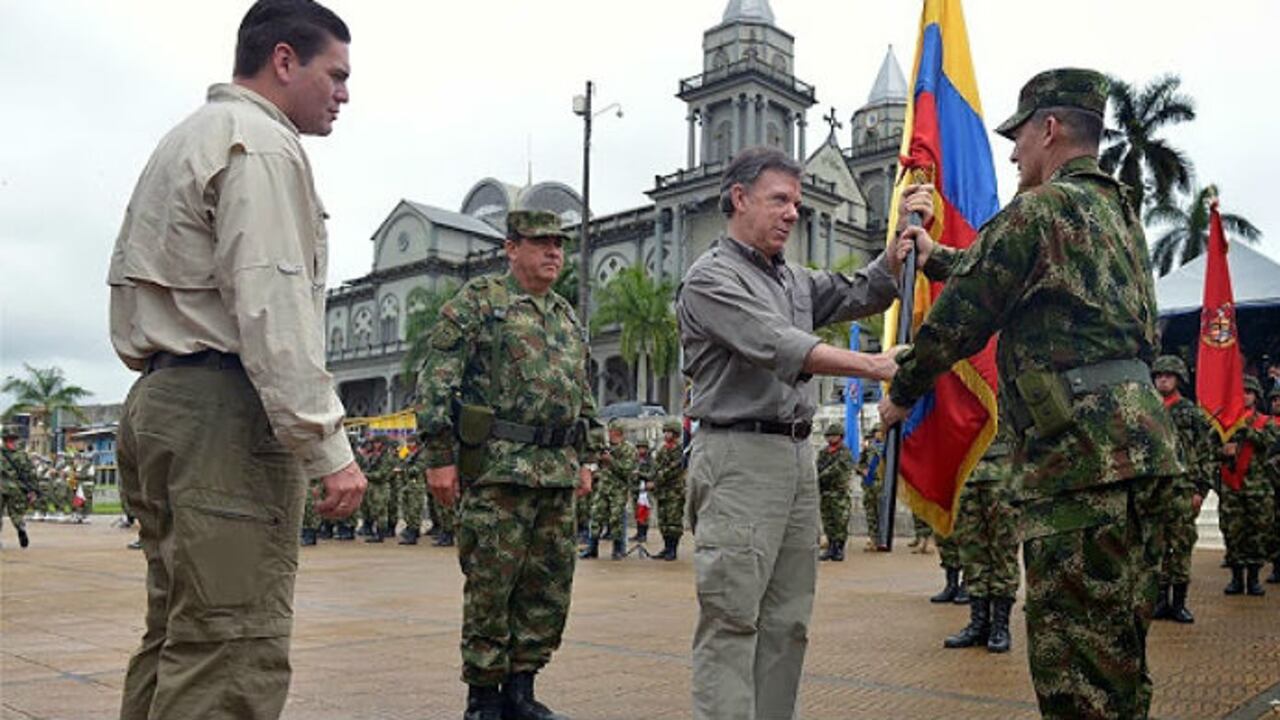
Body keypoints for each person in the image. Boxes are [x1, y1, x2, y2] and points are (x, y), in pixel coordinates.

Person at [880, 68, 1183, 719]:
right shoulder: (1119, 214)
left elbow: (963, 315)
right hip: (1142, 453)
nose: (1014, 154)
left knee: (1076, 667)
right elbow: (1004, 270)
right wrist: (935, 255)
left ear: (1048, 129)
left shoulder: (1041, 209)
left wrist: (903, 390)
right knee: (1119, 653)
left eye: (1018, 137)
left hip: (1080, 463)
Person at [106, 2, 367, 717]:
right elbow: (271, 306)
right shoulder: (262, 144)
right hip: (224, 414)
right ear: (284, 60)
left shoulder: (189, 137)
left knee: (179, 634)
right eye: (335, 75)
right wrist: (327, 446)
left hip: (163, 403)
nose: (344, 94)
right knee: (230, 648)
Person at [677, 145, 912, 720]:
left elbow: (860, 290)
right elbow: (779, 344)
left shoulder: (792, 279)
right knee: (733, 617)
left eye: (797, 204)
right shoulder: (711, 279)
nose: (792, 214)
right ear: (739, 198)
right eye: (779, 200)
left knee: (788, 621)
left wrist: (896, 250)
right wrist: (875, 365)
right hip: (738, 458)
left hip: (794, 456)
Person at [417, 209, 599, 720]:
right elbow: (437, 381)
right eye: (541, 243)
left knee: (547, 587)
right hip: (498, 470)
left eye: (558, 244)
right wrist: (439, 458)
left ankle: (522, 689)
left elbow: (581, 392)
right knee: (491, 586)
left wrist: (588, 457)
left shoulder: (564, 315)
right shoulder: (480, 303)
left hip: (556, 472)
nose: (553, 252)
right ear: (511, 248)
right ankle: (483, 697)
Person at [1150, 356, 1216, 621]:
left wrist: (1201, 489)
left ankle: (1178, 603)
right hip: (1154, 491)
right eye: (1159, 375)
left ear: (1178, 379)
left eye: (1168, 375)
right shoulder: (1147, 409)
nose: (1163, 380)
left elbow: (1206, 452)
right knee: (1156, 547)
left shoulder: (1191, 413)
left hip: (1183, 490)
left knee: (1181, 546)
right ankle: (1159, 601)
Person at [943, 429, 1020, 654]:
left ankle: (1000, 627)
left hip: (1003, 469)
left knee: (1003, 550)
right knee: (971, 551)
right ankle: (979, 625)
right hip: (966, 468)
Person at [1219, 375, 1275, 596]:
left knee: (1257, 534)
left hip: (1258, 489)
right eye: (1241, 392)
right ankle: (1236, 578)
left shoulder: (1266, 422)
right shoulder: (1224, 423)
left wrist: (1246, 430)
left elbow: (1271, 443)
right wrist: (1222, 451)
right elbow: (1209, 448)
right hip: (1232, 487)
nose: (1244, 396)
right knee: (1233, 533)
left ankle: (1253, 579)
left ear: (1256, 397)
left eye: (1249, 393)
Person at [582, 423, 635, 561]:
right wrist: (599, 461)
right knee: (596, 516)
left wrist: (611, 460)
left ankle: (618, 549)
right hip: (603, 487)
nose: (609, 434)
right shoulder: (606, 448)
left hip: (618, 490)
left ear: (618, 433)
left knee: (616, 519)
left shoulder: (628, 449)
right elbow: (598, 465)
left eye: (611, 431)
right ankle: (592, 548)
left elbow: (627, 471)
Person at [650, 418, 687, 561]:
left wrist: (656, 480)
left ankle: (672, 550)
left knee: (673, 522)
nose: (666, 435)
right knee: (663, 521)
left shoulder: (680, 451)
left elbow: (673, 470)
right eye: (665, 432)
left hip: (674, 491)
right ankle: (666, 548)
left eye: (669, 432)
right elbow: (656, 467)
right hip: (662, 491)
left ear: (676, 434)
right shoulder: (662, 449)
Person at [816, 423, 854, 562]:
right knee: (828, 521)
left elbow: (837, 469)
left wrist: (819, 476)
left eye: (834, 436)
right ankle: (831, 547)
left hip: (839, 492)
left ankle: (839, 548)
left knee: (840, 521)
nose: (831, 438)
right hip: (826, 491)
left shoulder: (845, 452)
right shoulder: (823, 452)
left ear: (841, 437)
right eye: (829, 436)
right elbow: (818, 466)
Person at [1, 427, 34, 548]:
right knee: (16, 512)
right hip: (16, 488)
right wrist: (32, 489)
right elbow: (30, 473)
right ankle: (21, 527)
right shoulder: (22, 455)